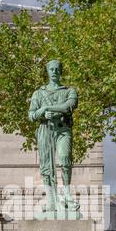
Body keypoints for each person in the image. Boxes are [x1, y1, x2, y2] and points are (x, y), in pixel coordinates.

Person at [28, 60, 79, 213]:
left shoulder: (69, 91)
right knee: (46, 166)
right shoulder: (38, 93)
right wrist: (42, 113)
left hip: (63, 130)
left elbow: (68, 106)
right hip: (45, 129)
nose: (55, 71)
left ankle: (67, 194)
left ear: (61, 71)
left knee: (64, 160)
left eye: (57, 69)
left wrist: (46, 107)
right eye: (52, 69)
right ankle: (51, 200)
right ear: (48, 71)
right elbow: (31, 115)